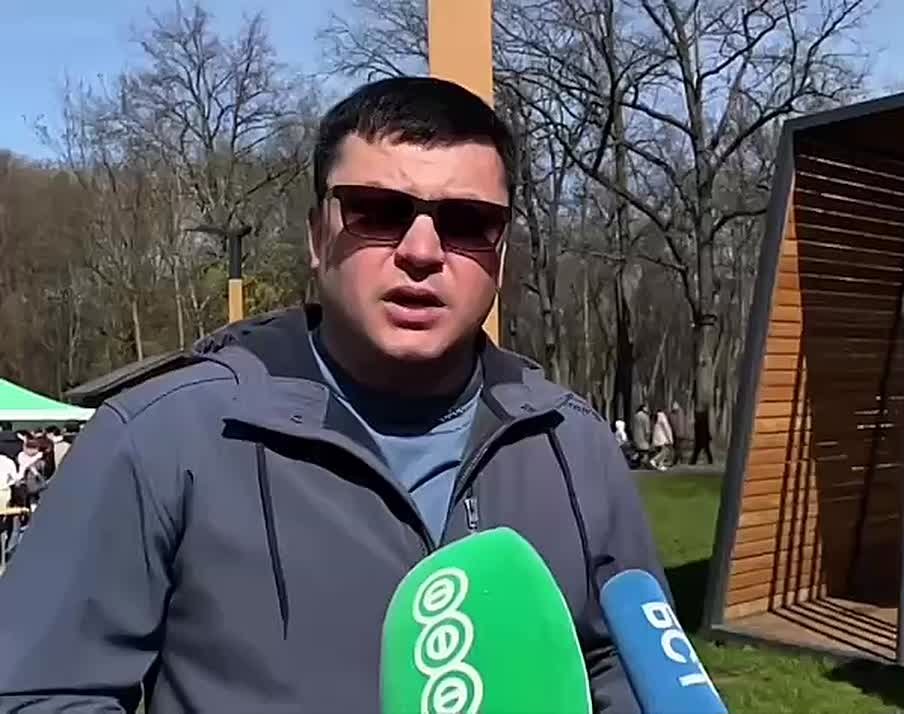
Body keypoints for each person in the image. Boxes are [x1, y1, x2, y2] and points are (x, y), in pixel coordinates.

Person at [0, 77, 668, 714]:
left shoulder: (571, 442)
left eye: (467, 222)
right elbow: (38, 692)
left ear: (500, 254)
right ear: (318, 238)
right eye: (378, 212)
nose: (422, 251)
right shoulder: (162, 437)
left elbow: (628, 673)